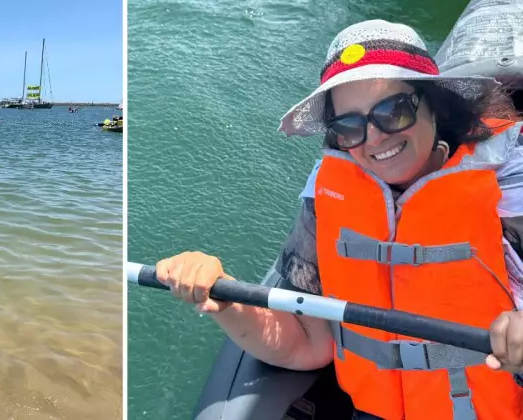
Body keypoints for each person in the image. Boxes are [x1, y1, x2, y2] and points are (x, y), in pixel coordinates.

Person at [155, 20, 523, 420]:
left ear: (433, 102)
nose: (374, 137)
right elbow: (305, 346)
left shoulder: (509, 184)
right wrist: (222, 298)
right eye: (348, 126)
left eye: (393, 111)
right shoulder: (327, 201)